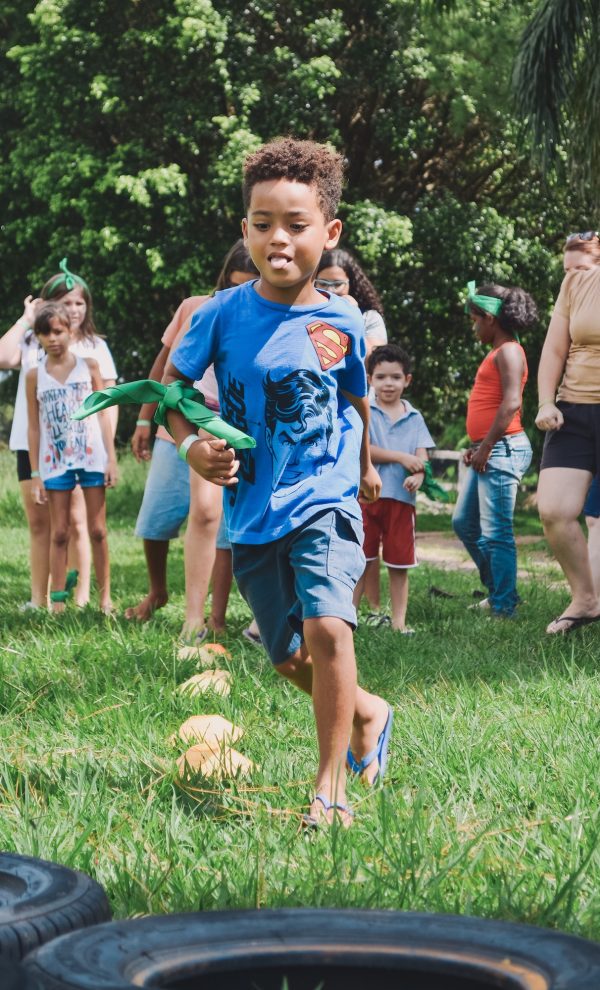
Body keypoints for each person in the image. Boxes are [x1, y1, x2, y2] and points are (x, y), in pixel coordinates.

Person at [164, 136, 392, 827]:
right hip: (255, 507)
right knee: (287, 655)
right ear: (245, 231)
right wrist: (191, 448)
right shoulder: (220, 316)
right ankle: (367, 712)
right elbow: (172, 392)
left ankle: (329, 791)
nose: (279, 239)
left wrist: (364, 467)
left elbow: (353, 399)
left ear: (330, 232)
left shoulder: (342, 318)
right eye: (263, 224)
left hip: (325, 499)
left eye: (296, 225)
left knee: (328, 628)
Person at [125, 240, 260, 644]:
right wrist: (144, 419)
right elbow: (166, 366)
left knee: (212, 519)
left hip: (227, 425)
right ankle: (160, 593)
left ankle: (205, 618)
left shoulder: (267, 317)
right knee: (157, 520)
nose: (241, 296)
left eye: (249, 287)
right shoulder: (197, 308)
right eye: (233, 286)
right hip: (179, 420)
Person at [0, 259, 117, 609]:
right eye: (65, 302)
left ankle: (80, 597)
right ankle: (40, 599)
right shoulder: (36, 341)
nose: (73, 310)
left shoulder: (94, 348)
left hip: (83, 449)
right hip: (32, 445)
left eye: (79, 302)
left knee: (79, 523)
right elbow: (3, 357)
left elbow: (109, 401)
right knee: (41, 524)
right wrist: (26, 317)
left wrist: (107, 451)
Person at [26, 302, 117, 613]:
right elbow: (33, 426)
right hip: (55, 461)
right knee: (60, 531)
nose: (52, 339)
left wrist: (111, 458)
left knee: (97, 529)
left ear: (69, 331)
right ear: (37, 337)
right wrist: (36, 472)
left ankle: (105, 599)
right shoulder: (34, 376)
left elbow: (103, 415)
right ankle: (58, 602)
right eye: (44, 333)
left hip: (91, 456)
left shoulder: (89, 366)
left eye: (58, 331)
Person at [453, 282, 536, 618]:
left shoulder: (510, 351)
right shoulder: (497, 352)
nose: (473, 328)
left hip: (502, 448)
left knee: (497, 531)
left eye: (474, 319)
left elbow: (512, 403)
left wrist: (485, 447)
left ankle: (504, 605)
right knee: (463, 523)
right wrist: (477, 447)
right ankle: (502, 592)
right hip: (489, 448)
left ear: (489, 318)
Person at [536, 231, 600, 633]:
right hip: (574, 408)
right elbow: (554, 349)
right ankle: (586, 598)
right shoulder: (575, 283)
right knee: (555, 510)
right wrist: (546, 401)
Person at [353, 344, 434, 633]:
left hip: (402, 500)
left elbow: (422, 459)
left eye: (396, 377)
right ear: (370, 379)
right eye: (381, 377)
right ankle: (349, 620)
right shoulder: (365, 411)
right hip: (367, 499)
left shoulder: (415, 417)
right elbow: (364, 450)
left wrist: (420, 476)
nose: (388, 383)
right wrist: (401, 457)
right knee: (360, 560)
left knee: (400, 565)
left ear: (407, 380)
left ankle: (399, 622)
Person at [316, 248, 387, 356]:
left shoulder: (369, 318)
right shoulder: (301, 314)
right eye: (323, 283)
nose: (330, 291)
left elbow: (374, 362)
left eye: (337, 284)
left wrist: (352, 317)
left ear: (351, 284)